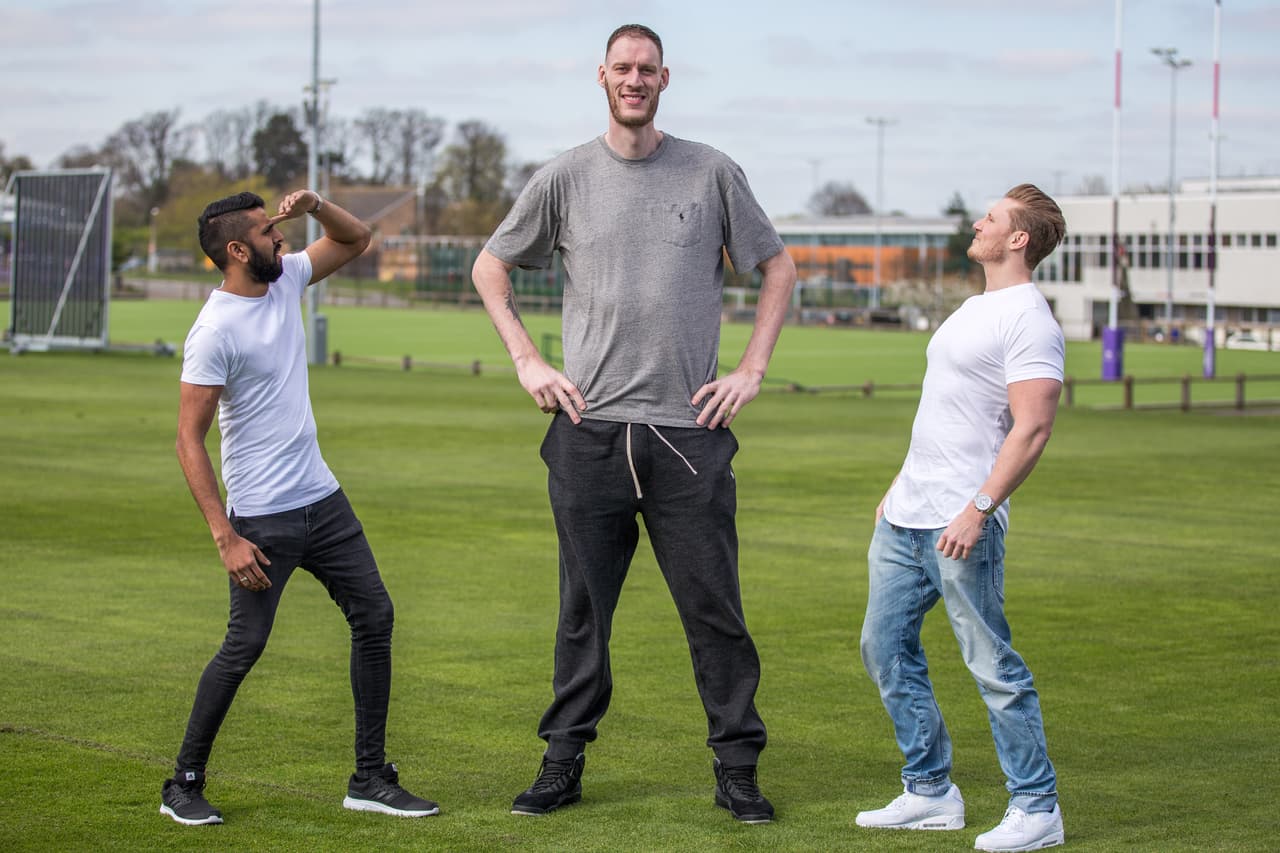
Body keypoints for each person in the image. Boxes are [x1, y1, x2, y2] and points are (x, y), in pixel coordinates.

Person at [471, 23, 796, 825]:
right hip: (588, 430)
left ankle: (737, 769)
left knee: (714, 609)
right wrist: (526, 359)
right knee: (582, 608)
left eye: (647, 68)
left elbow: (778, 265)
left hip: (688, 433)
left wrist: (751, 369)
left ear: (665, 78)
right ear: (602, 76)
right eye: (623, 67)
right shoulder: (564, 177)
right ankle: (561, 763)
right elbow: (491, 264)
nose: (635, 78)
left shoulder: (712, 171)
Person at [160, 190, 438, 825]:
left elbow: (355, 239)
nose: (278, 236)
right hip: (263, 517)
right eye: (265, 231)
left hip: (324, 501)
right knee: (245, 645)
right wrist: (225, 535)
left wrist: (315, 203)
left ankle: (370, 776)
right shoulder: (214, 331)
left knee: (375, 616)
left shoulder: (284, 280)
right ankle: (182, 782)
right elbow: (187, 440)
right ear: (236, 251)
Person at [855, 184, 1067, 852]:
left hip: (962, 522)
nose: (978, 223)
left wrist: (979, 508)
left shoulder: (1030, 318)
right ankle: (929, 791)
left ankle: (1037, 808)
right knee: (884, 647)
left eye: (992, 218)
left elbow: (1032, 428)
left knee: (991, 664)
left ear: (1019, 239)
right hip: (907, 515)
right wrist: (899, 482)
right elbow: (946, 409)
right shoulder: (974, 308)